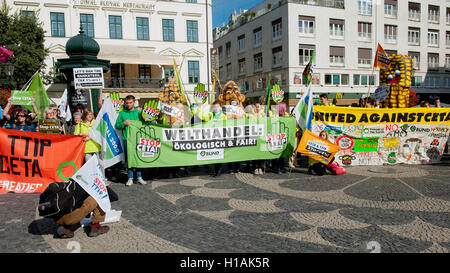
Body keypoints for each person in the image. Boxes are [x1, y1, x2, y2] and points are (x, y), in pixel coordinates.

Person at [115, 95, 147, 186]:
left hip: (138, 139)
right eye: (127, 103)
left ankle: (139, 177)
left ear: (134, 102)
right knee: (128, 159)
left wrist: (147, 120)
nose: (128, 104)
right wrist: (123, 123)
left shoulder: (139, 113)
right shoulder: (122, 113)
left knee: (138, 158)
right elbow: (117, 125)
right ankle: (130, 178)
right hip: (127, 139)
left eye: (130, 103)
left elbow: (145, 124)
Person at [195, 100, 227, 177]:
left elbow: (226, 125)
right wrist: (199, 107)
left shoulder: (224, 116)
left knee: (219, 153)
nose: (216, 108)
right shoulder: (210, 115)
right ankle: (215, 170)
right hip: (211, 137)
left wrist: (218, 122)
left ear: (220, 107)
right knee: (214, 154)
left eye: (217, 106)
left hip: (220, 137)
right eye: (214, 106)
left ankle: (218, 170)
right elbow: (201, 116)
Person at [271, 102, 289, 174]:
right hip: (276, 136)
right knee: (276, 152)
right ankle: (276, 167)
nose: (285, 109)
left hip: (283, 136)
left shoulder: (286, 115)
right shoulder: (274, 115)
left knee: (282, 153)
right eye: (284, 107)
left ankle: (282, 166)